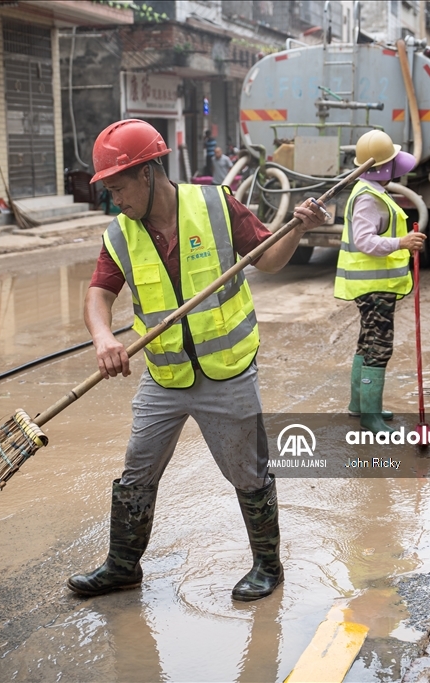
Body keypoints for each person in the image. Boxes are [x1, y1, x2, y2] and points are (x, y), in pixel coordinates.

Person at [71, 119, 328, 602]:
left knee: (247, 471)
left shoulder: (216, 206)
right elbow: (99, 293)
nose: (115, 200)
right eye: (109, 190)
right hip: (164, 375)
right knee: (137, 469)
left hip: (227, 372)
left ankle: (267, 566)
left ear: (147, 173)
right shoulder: (121, 234)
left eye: (119, 188)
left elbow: (269, 260)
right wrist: (103, 337)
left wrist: (297, 229)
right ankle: (122, 567)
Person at [335, 130, 426, 433]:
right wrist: (402, 242)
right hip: (374, 288)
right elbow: (364, 241)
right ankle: (370, 416)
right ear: (384, 168)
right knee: (379, 347)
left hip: (374, 287)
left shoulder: (371, 191)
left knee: (367, 343)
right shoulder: (367, 197)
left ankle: (359, 405)